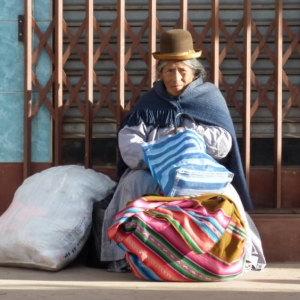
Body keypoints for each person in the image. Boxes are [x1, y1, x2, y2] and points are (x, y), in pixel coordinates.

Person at [100, 29, 266, 272]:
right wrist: (154, 154)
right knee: (132, 183)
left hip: (199, 172)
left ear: (194, 72)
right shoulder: (149, 102)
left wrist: (191, 138)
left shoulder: (209, 98)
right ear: (160, 73)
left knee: (225, 191)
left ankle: (238, 253)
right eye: (169, 70)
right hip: (153, 170)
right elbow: (129, 139)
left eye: (182, 71)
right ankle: (123, 255)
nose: (175, 77)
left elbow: (224, 143)